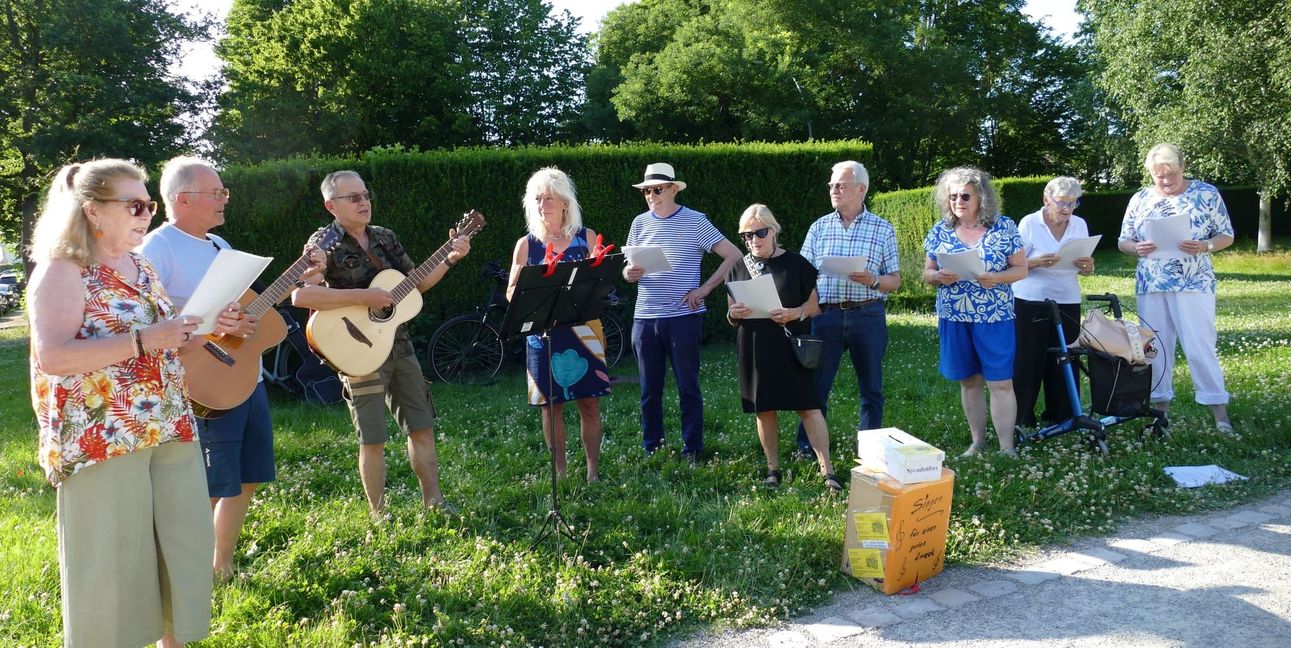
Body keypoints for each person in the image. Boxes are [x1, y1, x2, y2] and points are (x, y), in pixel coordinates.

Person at [27, 159, 241, 647]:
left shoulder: (141, 264)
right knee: (112, 568)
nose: (147, 213)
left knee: (178, 551)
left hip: (169, 426)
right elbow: (55, 357)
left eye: (148, 203)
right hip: (105, 439)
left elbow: (168, 342)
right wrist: (146, 338)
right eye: (134, 205)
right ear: (93, 211)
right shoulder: (63, 270)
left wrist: (204, 327)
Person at [139, 156, 324, 582]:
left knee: (248, 477)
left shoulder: (221, 247)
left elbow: (250, 311)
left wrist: (297, 277)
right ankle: (182, 573)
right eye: (216, 192)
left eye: (224, 191)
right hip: (202, 382)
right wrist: (209, 319)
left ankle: (220, 567)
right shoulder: (157, 248)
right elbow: (146, 314)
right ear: (182, 199)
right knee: (208, 484)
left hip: (246, 377)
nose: (225, 199)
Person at [293, 170, 470, 519]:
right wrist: (366, 297)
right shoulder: (322, 243)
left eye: (365, 194)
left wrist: (450, 258)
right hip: (355, 351)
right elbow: (302, 294)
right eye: (353, 197)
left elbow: (415, 285)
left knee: (422, 427)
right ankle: (379, 516)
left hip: (399, 345)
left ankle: (434, 502)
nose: (364, 202)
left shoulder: (385, 237)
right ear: (331, 205)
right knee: (372, 438)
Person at [622, 163, 742, 464]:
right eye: (647, 191)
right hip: (645, 317)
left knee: (688, 386)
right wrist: (629, 273)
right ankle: (653, 447)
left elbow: (734, 255)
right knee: (649, 390)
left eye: (658, 189)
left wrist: (704, 290)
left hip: (683, 318)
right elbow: (628, 268)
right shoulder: (639, 223)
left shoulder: (695, 221)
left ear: (674, 189)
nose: (651, 195)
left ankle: (693, 448)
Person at [1117, 143, 1234, 433]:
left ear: (1183, 167)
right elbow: (1123, 240)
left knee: (1199, 345)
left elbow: (1226, 235)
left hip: (1194, 282)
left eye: (1171, 174)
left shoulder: (1206, 193)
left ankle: (1220, 415)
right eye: (1159, 176)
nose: (1166, 180)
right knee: (1155, 348)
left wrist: (1204, 245)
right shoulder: (1140, 198)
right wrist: (1136, 247)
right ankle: (1160, 415)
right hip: (1152, 282)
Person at [726, 204, 841, 492]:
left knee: (809, 407)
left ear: (774, 230)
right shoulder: (738, 267)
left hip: (790, 345)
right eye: (747, 235)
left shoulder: (796, 263)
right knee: (764, 410)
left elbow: (814, 306)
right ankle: (772, 469)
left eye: (760, 232)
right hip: (755, 346)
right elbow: (729, 312)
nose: (754, 240)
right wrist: (734, 314)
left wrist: (793, 313)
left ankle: (828, 471)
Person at [506, 168, 609, 481]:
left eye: (548, 198)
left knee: (589, 405)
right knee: (551, 409)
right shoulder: (527, 244)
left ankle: (593, 473)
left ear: (565, 201)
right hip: (543, 335)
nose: (542, 204)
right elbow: (511, 291)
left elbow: (601, 283)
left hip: (584, 332)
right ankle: (560, 475)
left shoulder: (586, 238)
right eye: (537, 199)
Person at [796, 160, 900, 459]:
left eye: (840, 185)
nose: (834, 190)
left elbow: (895, 280)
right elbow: (803, 274)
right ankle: (808, 448)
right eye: (831, 185)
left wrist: (874, 280)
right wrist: (808, 304)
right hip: (825, 316)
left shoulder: (882, 228)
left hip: (867, 313)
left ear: (861, 189)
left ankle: (870, 450)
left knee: (871, 388)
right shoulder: (819, 227)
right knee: (816, 386)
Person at [922, 167, 1028, 457]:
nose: (958, 201)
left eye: (965, 195)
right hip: (954, 316)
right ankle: (978, 443)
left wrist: (997, 277)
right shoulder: (940, 230)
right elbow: (927, 273)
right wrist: (937, 277)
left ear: (981, 197)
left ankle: (1007, 447)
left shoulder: (1003, 226)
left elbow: (1021, 269)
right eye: (953, 196)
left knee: (1001, 382)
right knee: (969, 380)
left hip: (994, 316)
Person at [1012, 176, 1096, 429]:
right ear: (1046, 199)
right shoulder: (1029, 222)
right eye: (1061, 202)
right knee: (1028, 359)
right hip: (1030, 297)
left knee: (1064, 356)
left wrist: (1088, 266)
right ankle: (1021, 418)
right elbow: (1012, 264)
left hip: (1067, 296)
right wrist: (1037, 262)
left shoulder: (1079, 224)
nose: (1067, 209)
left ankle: (1062, 415)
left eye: (1073, 203)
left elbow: (1085, 268)